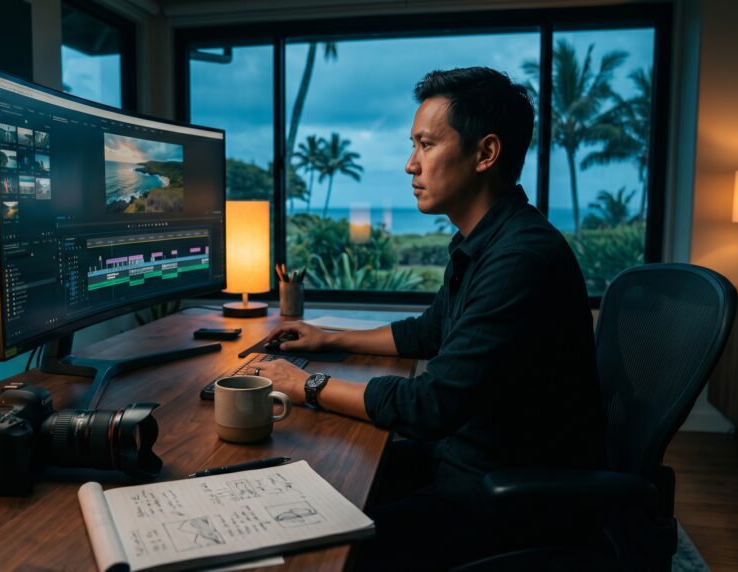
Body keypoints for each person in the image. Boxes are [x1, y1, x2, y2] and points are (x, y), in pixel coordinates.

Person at [253, 67, 604, 570]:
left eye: (426, 144)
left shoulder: (521, 259)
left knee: (318, 553)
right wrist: (326, 338)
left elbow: (429, 406)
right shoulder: (482, 241)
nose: (410, 164)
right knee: (311, 485)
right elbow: (429, 331)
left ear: (485, 153)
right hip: (463, 458)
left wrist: (305, 385)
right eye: (413, 145)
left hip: (504, 494)